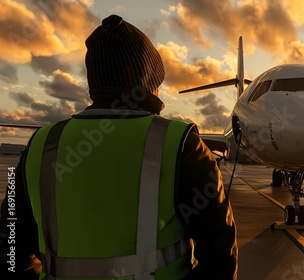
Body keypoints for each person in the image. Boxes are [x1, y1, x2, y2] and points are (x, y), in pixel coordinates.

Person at [0, 14, 237, 279]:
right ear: (145, 82)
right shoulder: (180, 142)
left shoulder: (40, 145)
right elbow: (220, 258)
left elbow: (10, 249)